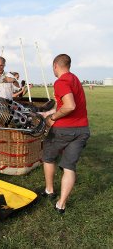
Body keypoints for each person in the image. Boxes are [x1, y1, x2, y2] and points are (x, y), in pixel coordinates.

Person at [39, 54, 90, 214]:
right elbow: (66, 106)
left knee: (48, 157)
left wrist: (52, 118)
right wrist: (48, 113)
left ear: (55, 65)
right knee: (69, 167)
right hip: (82, 130)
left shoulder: (61, 82)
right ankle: (61, 204)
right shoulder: (74, 79)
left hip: (63, 130)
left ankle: (49, 190)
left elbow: (70, 106)